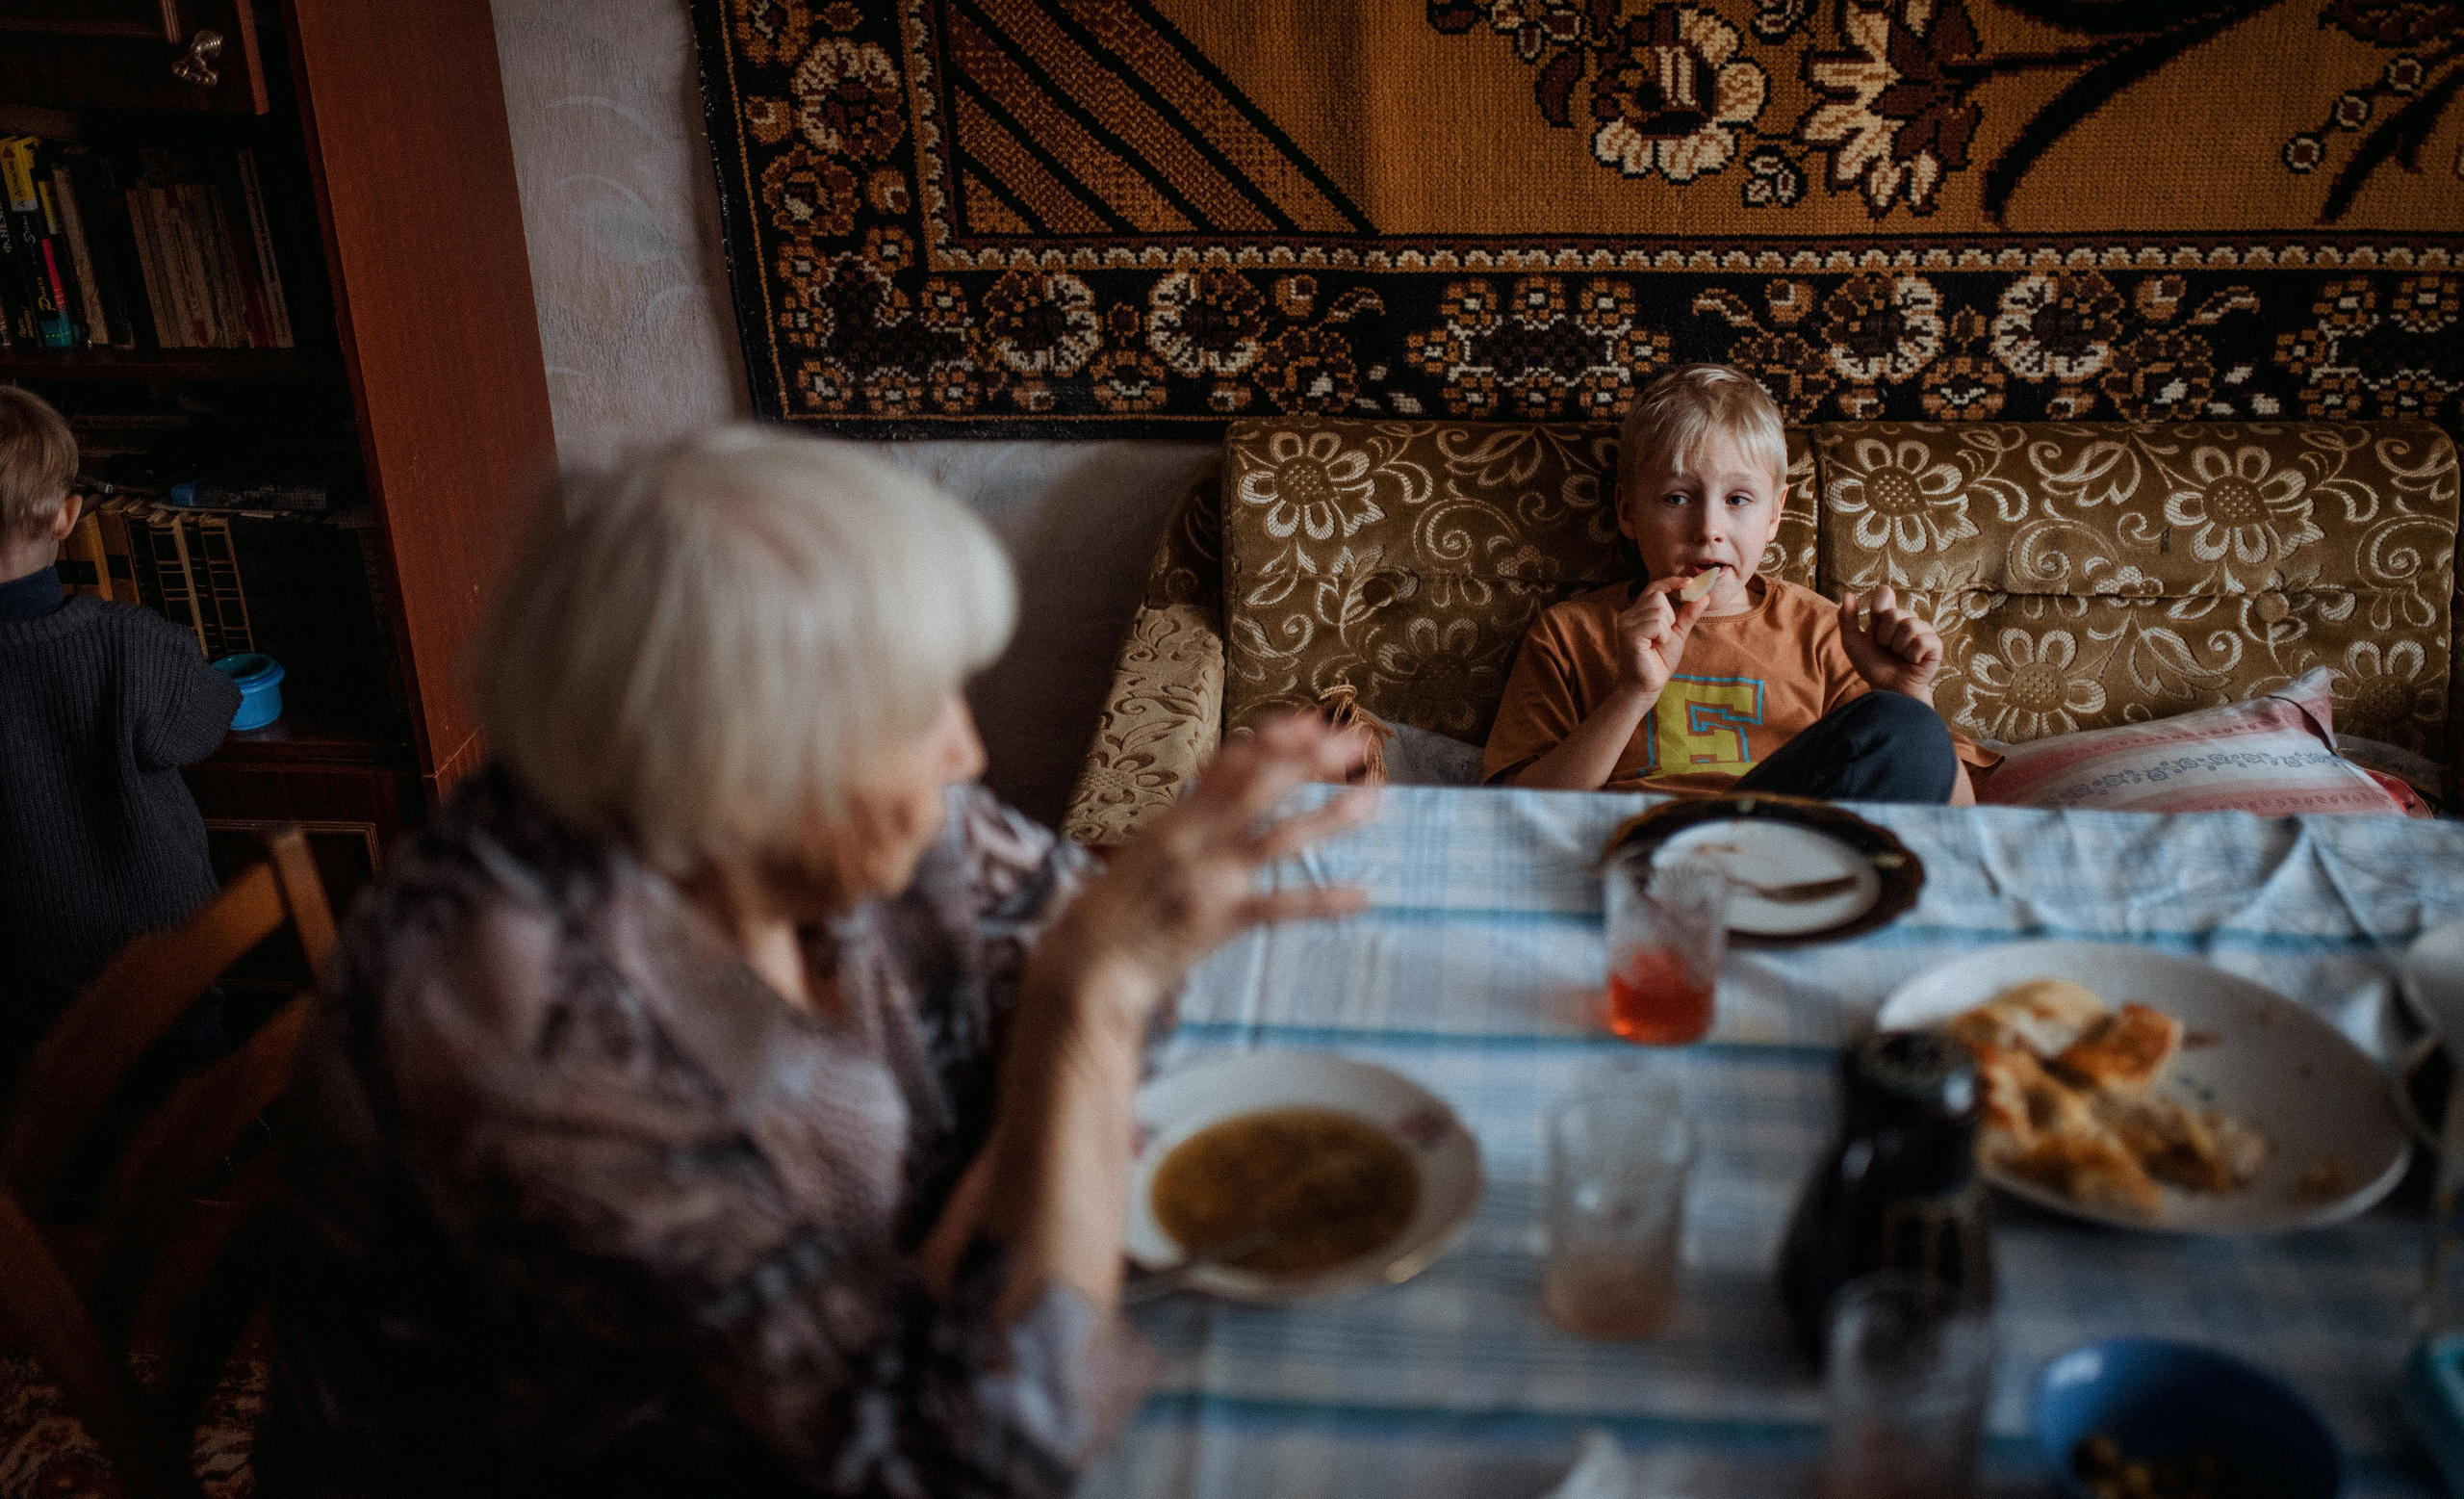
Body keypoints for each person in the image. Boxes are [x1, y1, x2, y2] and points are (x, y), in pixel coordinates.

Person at [261, 428, 1375, 1499]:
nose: (967, 752)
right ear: (743, 770)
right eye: (914, 711)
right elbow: (978, 1461)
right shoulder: (521, 1020)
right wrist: (1076, 1022)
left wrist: (1051, 1070)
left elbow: (1110, 947)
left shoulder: (819, 814)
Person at [1481, 364, 1982, 802]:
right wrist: (1631, 694)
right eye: (1677, 498)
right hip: (1634, 846)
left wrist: (1908, 695)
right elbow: (1513, 811)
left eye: (1738, 499)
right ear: (1627, 511)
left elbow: (1958, 818)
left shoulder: (1827, 634)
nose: (1708, 529)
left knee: (1906, 725)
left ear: (1774, 514)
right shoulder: (1569, 634)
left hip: (1777, 846)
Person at [0, 384, 238, 1097]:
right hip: (167, 968)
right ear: (67, 516)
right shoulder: (125, 641)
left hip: (24, 993)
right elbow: (210, 713)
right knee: (180, 1102)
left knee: (58, 1127)